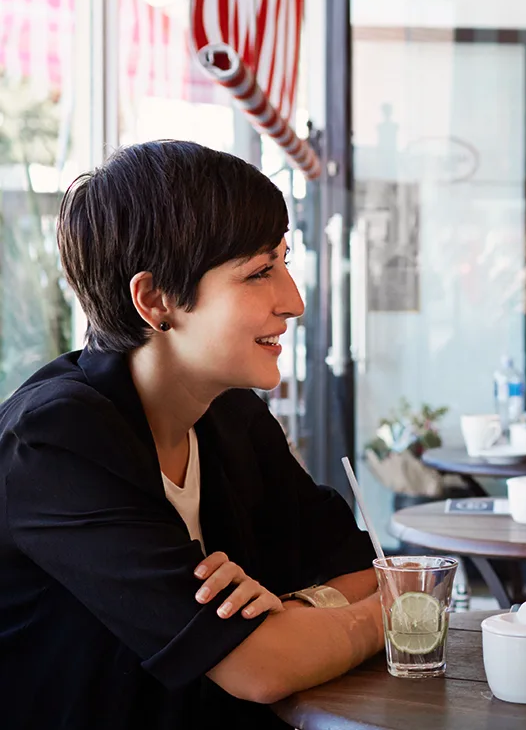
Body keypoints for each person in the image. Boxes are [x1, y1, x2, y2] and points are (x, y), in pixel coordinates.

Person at [0, 141, 383, 729]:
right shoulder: (54, 441)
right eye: (259, 273)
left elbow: (360, 568)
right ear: (155, 301)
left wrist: (299, 611)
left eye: (283, 261)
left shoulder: (230, 413)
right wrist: (393, 614)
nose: (294, 301)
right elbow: (261, 669)